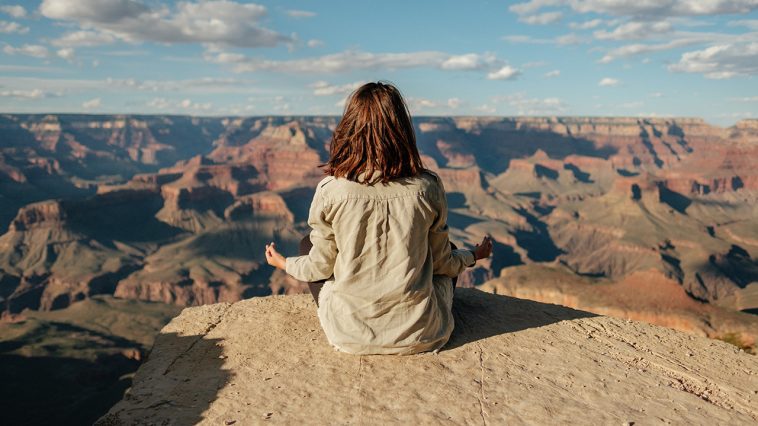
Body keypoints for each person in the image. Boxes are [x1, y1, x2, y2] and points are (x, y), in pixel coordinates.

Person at [264, 81, 493, 355]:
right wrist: (472, 255)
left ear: (349, 129)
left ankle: (355, 319)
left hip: (349, 336)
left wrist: (283, 263)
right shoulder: (427, 186)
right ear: (402, 130)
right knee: (450, 249)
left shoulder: (331, 189)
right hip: (423, 334)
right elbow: (443, 263)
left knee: (307, 246)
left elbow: (320, 268)